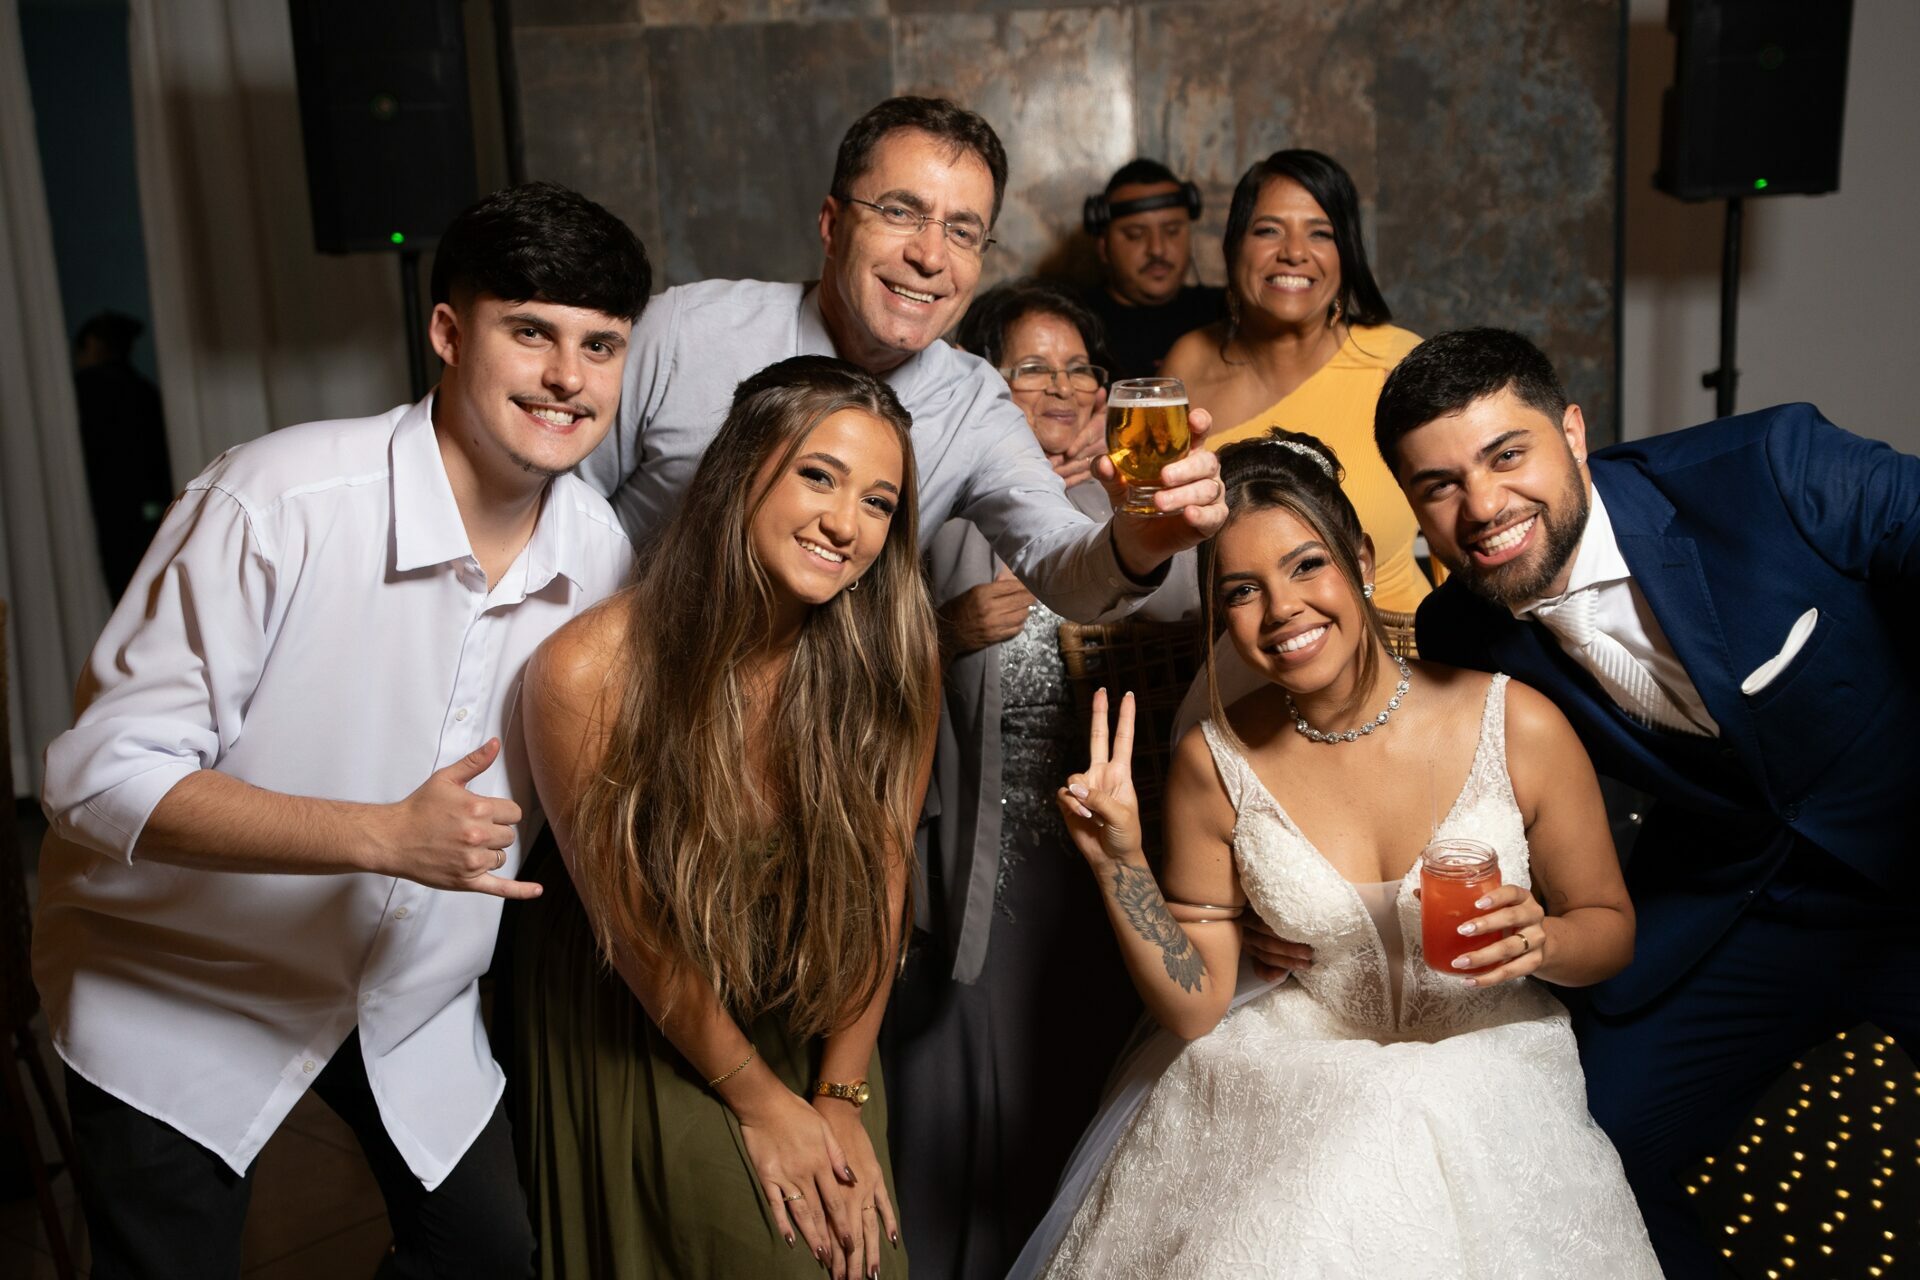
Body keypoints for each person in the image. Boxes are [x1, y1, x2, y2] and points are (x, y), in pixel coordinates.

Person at [31, 182, 649, 1279]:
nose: (568, 376)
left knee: (486, 1261)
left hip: (405, 993)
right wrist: (379, 834)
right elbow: (94, 780)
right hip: (179, 981)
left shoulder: (600, 552)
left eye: (599, 345)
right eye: (530, 332)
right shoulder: (277, 498)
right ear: (448, 333)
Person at [1016, 429, 1659, 1277]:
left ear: (1359, 561)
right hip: (1295, 1074)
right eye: (1242, 589)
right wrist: (1119, 865)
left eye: (1307, 565)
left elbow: (1609, 928)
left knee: (1404, 1110)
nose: (1282, 608)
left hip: (1489, 1073)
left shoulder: (1518, 723)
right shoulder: (1215, 763)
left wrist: (1544, 940)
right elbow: (1197, 1007)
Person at [1370, 327, 1920, 1279]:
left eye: (1507, 455)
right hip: (1742, 901)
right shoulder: (1460, 633)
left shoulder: (1771, 470)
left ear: (1573, 433)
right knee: (1582, 1137)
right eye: (1440, 485)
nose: (1484, 507)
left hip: (1911, 856)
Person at [512, 356, 939, 1280]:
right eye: (818, 476)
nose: (846, 524)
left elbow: (882, 882)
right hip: (643, 1009)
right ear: (741, 470)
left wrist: (840, 1095)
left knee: (864, 1262)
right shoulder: (589, 672)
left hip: (807, 1012)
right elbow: (635, 933)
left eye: (878, 503)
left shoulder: (892, 658)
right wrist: (761, 1104)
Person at [575, 97, 1227, 629]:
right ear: (832, 224)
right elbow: (553, 510)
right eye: (900, 212)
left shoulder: (973, 407)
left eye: (962, 231)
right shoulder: (684, 332)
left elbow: (1061, 564)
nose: (930, 256)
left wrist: (1138, 541)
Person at [882, 280, 1140, 1280]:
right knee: (958, 1101)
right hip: (972, 860)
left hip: (1108, 859)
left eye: (1080, 367)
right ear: (981, 384)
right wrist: (940, 632)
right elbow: (830, 663)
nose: (1063, 387)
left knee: (1082, 1076)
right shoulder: (938, 505)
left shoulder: (1132, 518)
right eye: (1033, 368)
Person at [1164, 149, 1431, 619]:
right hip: (1241, 651)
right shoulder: (1188, 362)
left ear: (1346, 254)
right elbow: (1155, 527)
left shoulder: (1397, 362)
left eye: (1320, 233)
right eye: (1269, 230)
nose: (1293, 252)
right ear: (1234, 245)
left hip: (1403, 647)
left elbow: (1462, 523)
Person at [1078, 159, 1226, 379]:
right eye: (1135, 235)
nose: (1157, 249)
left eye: (1172, 231)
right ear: (1103, 246)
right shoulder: (1075, 322)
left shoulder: (1228, 313)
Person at [71, 310, 174, 598]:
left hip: (109, 510)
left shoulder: (81, 392)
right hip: (148, 508)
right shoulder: (144, 391)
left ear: (92, 344)